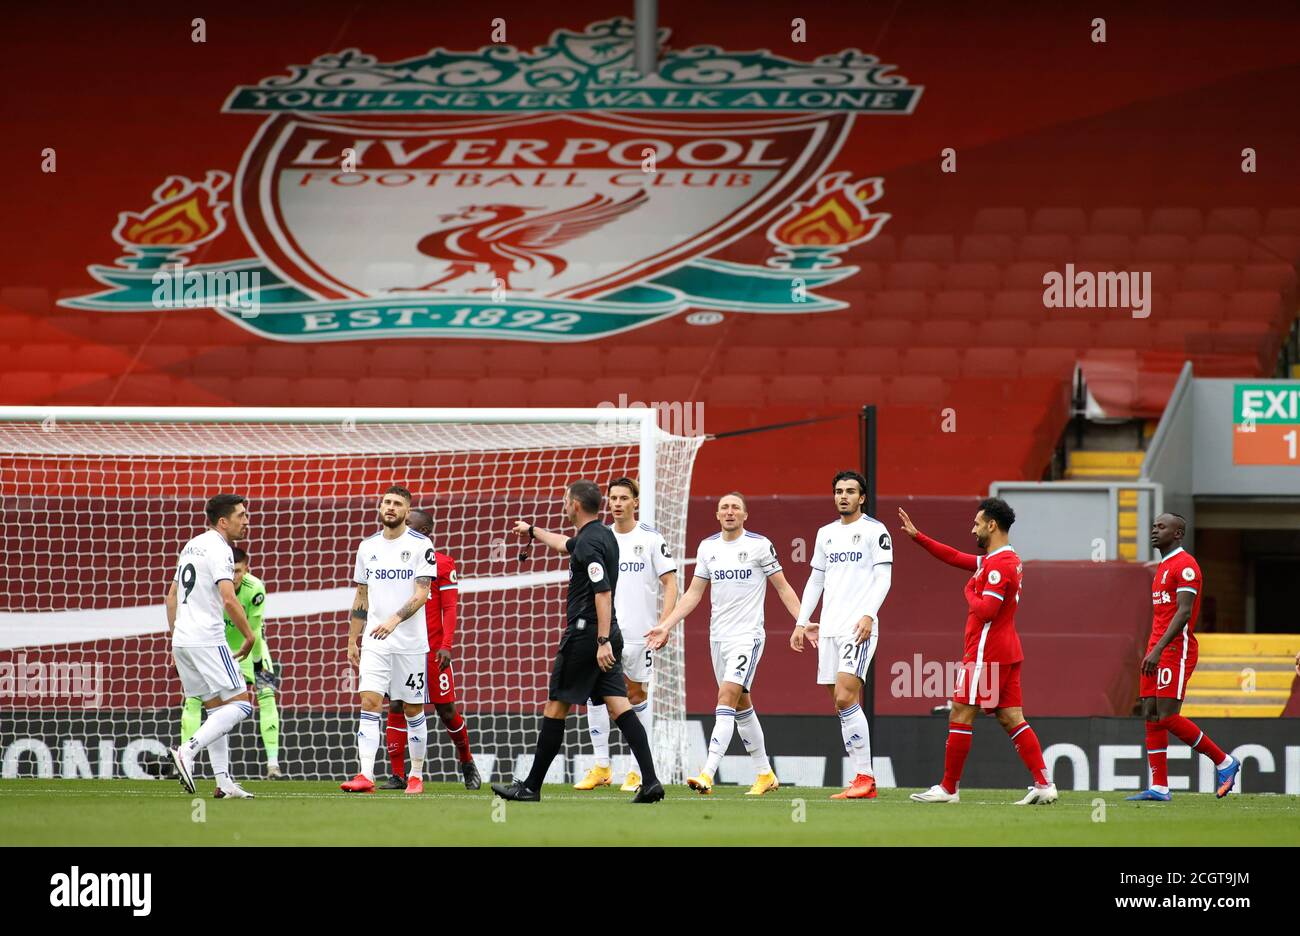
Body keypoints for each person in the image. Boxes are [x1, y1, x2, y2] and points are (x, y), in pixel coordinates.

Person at [491, 479, 663, 803]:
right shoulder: (603, 536)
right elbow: (562, 545)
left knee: (556, 705)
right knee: (620, 706)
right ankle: (651, 781)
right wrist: (533, 531)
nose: (563, 505)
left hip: (588, 635)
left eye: (566, 500)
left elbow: (603, 591)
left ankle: (530, 787)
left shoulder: (589, 542)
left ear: (576, 505)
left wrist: (600, 641)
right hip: (609, 633)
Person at [899, 499, 1057, 805]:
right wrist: (918, 537)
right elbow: (955, 557)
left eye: (976, 523)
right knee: (1011, 717)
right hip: (1006, 650)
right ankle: (1043, 783)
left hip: (987, 653)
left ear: (991, 525)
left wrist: (968, 590)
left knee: (960, 711)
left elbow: (986, 610)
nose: (973, 528)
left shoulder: (998, 566)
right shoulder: (1003, 559)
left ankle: (948, 788)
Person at [648, 492, 800, 796]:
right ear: (718, 515)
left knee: (727, 695)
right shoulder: (708, 548)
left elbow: (783, 588)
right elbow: (693, 594)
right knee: (742, 705)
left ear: (745, 515)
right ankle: (765, 773)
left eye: (735, 508)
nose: (729, 512)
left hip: (748, 637)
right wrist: (665, 625)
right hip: (718, 638)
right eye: (724, 508)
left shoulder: (759, 545)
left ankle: (707, 773)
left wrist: (802, 621)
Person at [789, 472, 893, 800]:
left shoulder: (875, 531)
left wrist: (869, 614)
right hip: (830, 628)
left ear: (862, 497)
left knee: (847, 697)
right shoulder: (825, 534)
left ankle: (865, 777)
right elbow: (816, 580)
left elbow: (883, 578)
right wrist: (802, 621)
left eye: (850, 491)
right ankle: (861, 778)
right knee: (841, 703)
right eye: (838, 491)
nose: (843, 496)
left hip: (857, 628)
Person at [1126, 514, 1240, 801]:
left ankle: (1225, 762)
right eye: (1153, 526)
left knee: (1167, 716)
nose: (1154, 531)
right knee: (1150, 713)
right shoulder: (1162, 567)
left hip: (1176, 649)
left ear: (1178, 534)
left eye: (1161, 527)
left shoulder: (1186, 566)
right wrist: (1151, 648)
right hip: (1158, 649)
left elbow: (1184, 613)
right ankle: (1160, 786)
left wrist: (1158, 649)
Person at [575, 477, 678, 793]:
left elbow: (671, 583)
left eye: (623, 498)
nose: (617, 503)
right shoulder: (599, 538)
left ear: (636, 502)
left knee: (636, 696)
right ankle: (602, 767)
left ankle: (636, 771)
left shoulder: (650, 539)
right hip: (603, 633)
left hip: (639, 633)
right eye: (613, 498)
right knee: (595, 695)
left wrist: (664, 624)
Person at [341, 486, 435, 795]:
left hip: (408, 642)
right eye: (386, 503)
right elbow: (361, 595)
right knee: (369, 701)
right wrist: (353, 638)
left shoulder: (422, 545)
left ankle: (416, 775)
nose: (390, 507)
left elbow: (422, 594)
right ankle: (365, 775)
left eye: (397, 504)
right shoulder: (367, 547)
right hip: (375, 641)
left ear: (407, 511)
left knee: (411, 709)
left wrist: (394, 620)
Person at [383, 508, 481, 790]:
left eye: (409, 523)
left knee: (446, 710)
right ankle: (398, 774)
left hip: (432, 650)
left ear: (424, 532)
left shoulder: (442, 564)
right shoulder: (395, 561)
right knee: (397, 704)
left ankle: (466, 761)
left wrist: (446, 645)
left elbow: (449, 608)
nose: (403, 526)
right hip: (401, 647)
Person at [168, 493, 257, 799]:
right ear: (223, 521)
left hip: (183, 638)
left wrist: (174, 637)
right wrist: (249, 635)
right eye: (241, 515)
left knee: (216, 709)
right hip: (207, 638)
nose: (246, 521)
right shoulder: (221, 549)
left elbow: (171, 596)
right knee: (242, 704)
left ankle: (223, 782)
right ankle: (186, 751)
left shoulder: (192, 544)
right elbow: (229, 598)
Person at [180, 546, 283, 782]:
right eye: (231, 571)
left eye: (239, 571)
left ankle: (273, 765)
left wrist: (257, 664)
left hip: (251, 649)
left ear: (247, 569)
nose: (235, 576)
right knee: (194, 699)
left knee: (266, 695)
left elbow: (255, 630)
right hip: (218, 650)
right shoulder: (213, 587)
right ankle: (186, 760)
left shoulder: (255, 589)